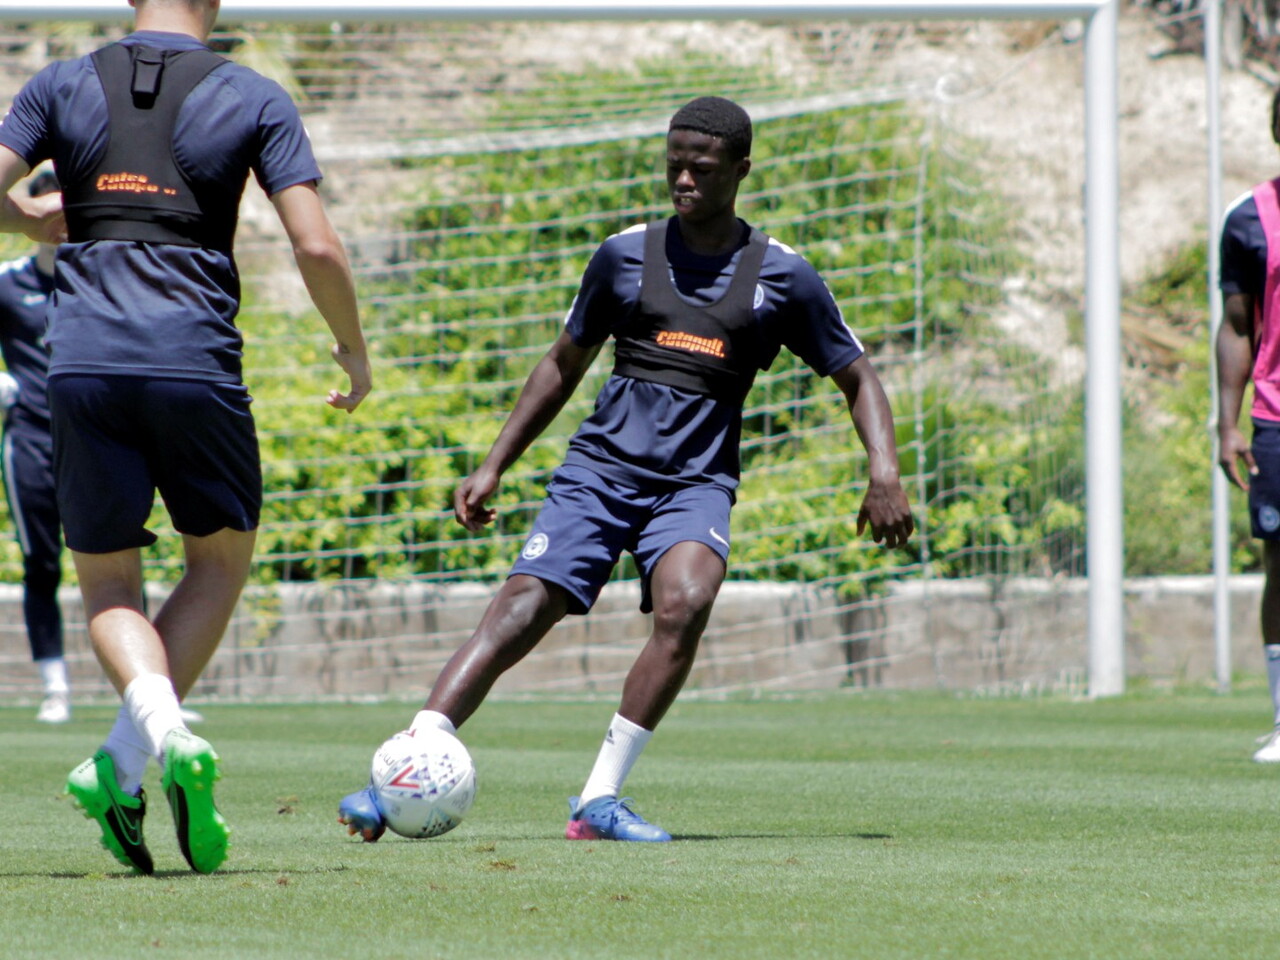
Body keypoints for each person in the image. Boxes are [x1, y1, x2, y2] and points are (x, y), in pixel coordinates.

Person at [338, 95, 913, 843]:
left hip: (694, 484)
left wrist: (884, 472)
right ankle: (402, 767)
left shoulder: (783, 276)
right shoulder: (624, 256)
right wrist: (493, 464)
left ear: (741, 170)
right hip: (601, 471)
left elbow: (858, 376)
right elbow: (561, 364)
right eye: (674, 164)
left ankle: (598, 800)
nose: (683, 180)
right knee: (524, 604)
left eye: (701, 168)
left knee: (688, 602)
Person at [0, 0, 372, 874]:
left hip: (81, 365)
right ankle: (141, 751)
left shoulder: (61, 82)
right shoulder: (254, 94)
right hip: (194, 361)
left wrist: (27, 219)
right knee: (218, 561)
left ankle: (141, 749)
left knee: (108, 584)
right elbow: (317, 247)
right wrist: (352, 349)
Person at [1218, 86, 1280, 764]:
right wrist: (1226, 424)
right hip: (1276, 418)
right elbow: (1237, 326)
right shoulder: (1248, 219)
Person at [0, 169, 67, 724]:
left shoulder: (99, 280)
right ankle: (56, 688)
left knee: (119, 553)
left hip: (95, 436)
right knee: (41, 560)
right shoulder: (7, 284)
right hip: (28, 438)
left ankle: (146, 691)